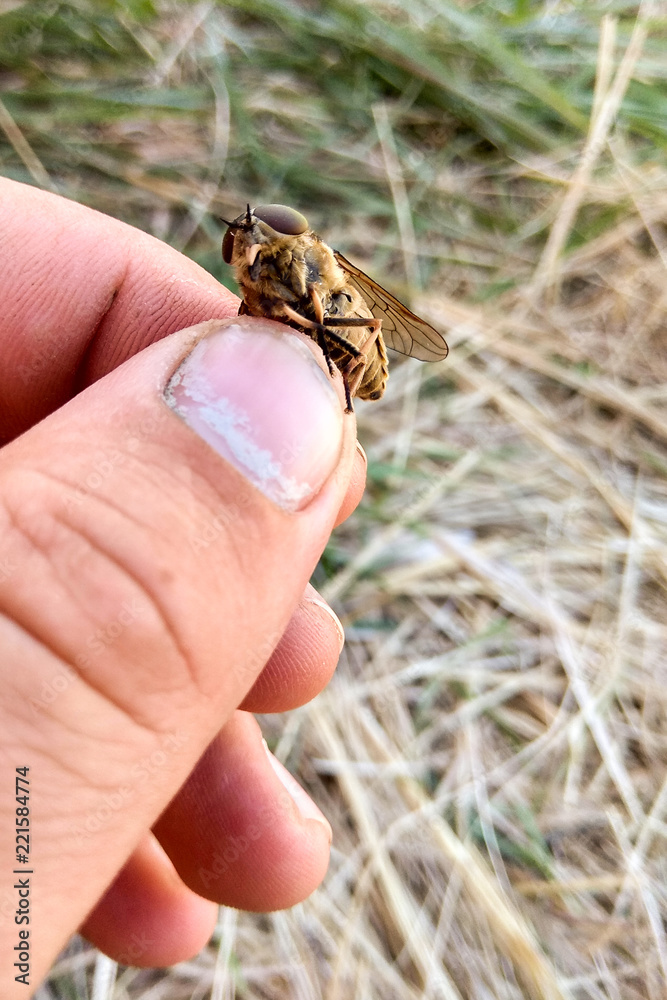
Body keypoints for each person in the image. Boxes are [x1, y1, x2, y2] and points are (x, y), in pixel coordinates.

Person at [0, 178, 366, 995]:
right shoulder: (269, 267)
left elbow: (316, 319)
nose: (246, 239)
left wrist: (260, 397)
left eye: (257, 234)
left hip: (340, 349)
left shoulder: (297, 271)